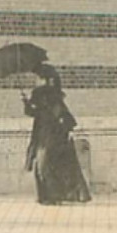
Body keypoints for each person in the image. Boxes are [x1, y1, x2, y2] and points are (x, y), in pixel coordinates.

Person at [23, 64, 92, 205]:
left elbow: (62, 116)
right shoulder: (39, 94)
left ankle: (52, 196)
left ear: (46, 80)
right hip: (42, 133)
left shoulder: (52, 96)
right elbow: (32, 113)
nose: (36, 81)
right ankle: (46, 196)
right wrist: (26, 101)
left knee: (46, 165)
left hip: (53, 136)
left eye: (39, 78)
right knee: (42, 165)